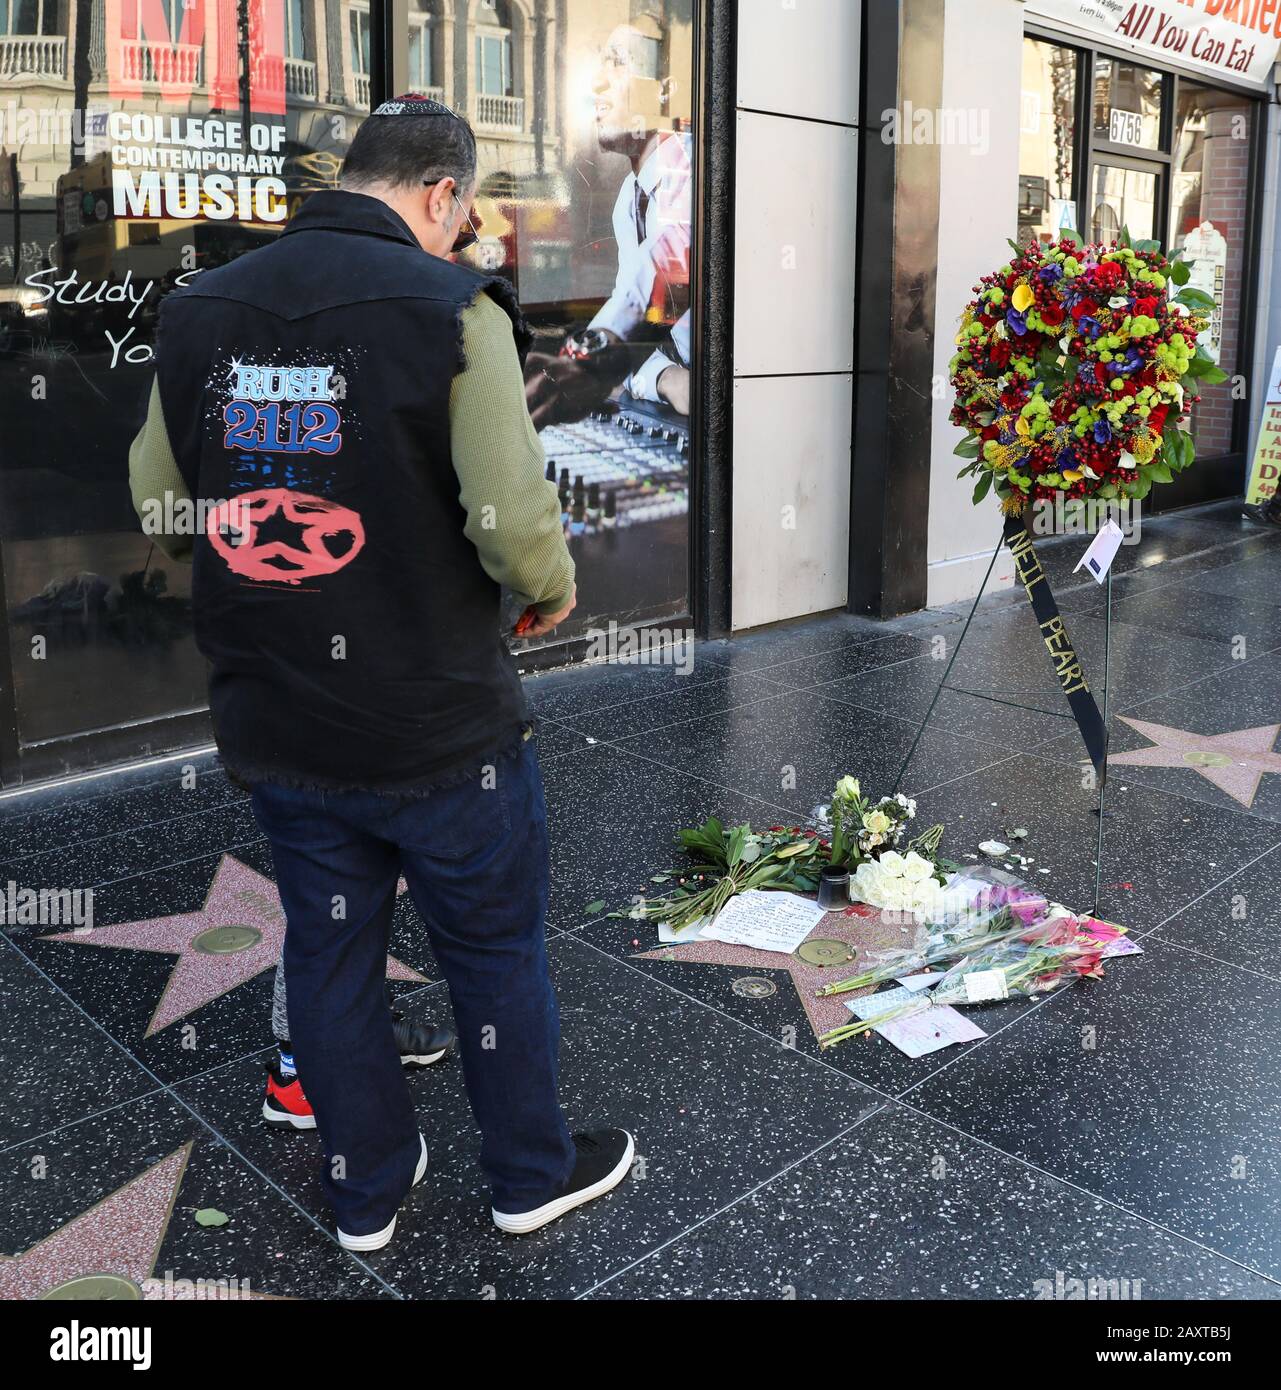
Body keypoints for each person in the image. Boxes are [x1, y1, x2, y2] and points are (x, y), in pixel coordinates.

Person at [127, 96, 633, 1249]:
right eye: (460, 219)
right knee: (493, 946)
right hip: (436, 720)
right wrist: (550, 588)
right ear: (440, 194)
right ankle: (525, 1175)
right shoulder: (453, 308)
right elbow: (509, 523)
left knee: (330, 944)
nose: (460, 241)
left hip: (279, 710)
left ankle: (364, 1187)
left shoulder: (201, 305)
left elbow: (159, 503)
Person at [524, 19, 692, 429]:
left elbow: (670, 271)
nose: (597, 84)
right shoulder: (628, 199)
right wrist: (664, 378)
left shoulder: (691, 167)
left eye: (617, 63)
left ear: (663, 91)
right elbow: (641, 325)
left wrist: (589, 366)